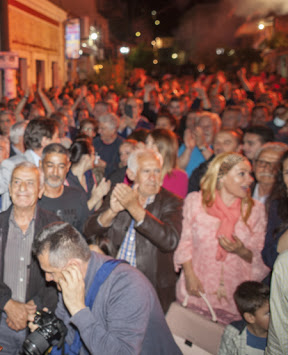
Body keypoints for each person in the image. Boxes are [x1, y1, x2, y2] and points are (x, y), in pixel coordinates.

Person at [32, 222, 181, 354]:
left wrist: (78, 310)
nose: (47, 279)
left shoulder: (128, 286)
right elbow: (70, 339)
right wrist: (49, 331)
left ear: (73, 266)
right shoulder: (69, 282)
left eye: (50, 272)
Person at [0, 163, 59, 354]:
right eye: (17, 182)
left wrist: (35, 306)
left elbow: (62, 273)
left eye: (29, 183)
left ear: (40, 190)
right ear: (9, 190)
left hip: (38, 323)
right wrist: (8, 304)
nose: (22, 188)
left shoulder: (54, 229)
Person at [174, 153, 269, 325]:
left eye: (250, 174)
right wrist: (188, 275)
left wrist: (240, 250)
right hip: (197, 289)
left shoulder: (255, 211)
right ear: (222, 176)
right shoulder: (196, 202)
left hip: (234, 299)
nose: (249, 179)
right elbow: (185, 243)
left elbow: (261, 258)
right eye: (242, 173)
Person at [84, 148, 183, 312]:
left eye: (157, 171)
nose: (153, 178)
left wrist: (135, 208)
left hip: (148, 288)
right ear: (131, 174)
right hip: (111, 281)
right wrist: (112, 212)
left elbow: (169, 241)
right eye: (146, 171)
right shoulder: (120, 193)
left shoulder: (171, 202)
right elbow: (89, 231)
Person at [38, 143, 91, 233]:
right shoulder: (31, 198)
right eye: (50, 165)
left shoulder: (77, 196)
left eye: (61, 166)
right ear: (41, 164)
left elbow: (85, 233)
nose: (55, 172)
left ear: (68, 167)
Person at [218, 281, 270, 355]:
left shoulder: (281, 337)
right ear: (250, 318)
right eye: (268, 313)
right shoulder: (233, 332)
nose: (274, 316)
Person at [146, 128, 188, 198]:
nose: (147, 148)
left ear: (165, 149)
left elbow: (175, 206)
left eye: (153, 144)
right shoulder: (139, 170)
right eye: (147, 143)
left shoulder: (178, 176)